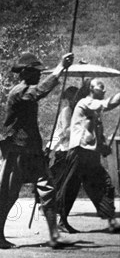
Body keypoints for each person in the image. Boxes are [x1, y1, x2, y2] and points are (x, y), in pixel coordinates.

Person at [0, 52, 73, 249]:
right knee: (9, 194)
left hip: (33, 150)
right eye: (36, 72)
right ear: (26, 72)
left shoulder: (26, 90)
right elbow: (40, 92)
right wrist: (60, 68)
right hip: (17, 150)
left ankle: (54, 235)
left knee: (48, 190)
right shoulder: (18, 92)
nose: (39, 75)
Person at [58, 78, 120, 233]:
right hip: (79, 152)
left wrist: (102, 146)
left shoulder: (94, 110)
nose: (104, 91)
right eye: (101, 88)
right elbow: (108, 104)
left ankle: (110, 219)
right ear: (92, 90)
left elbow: (95, 133)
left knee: (105, 184)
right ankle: (61, 221)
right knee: (71, 186)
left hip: (90, 154)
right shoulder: (85, 103)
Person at [46, 85, 80, 233]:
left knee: (71, 185)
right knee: (64, 185)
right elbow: (66, 132)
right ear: (70, 99)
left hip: (75, 151)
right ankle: (60, 218)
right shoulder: (67, 111)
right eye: (75, 97)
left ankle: (61, 217)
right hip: (64, 150)